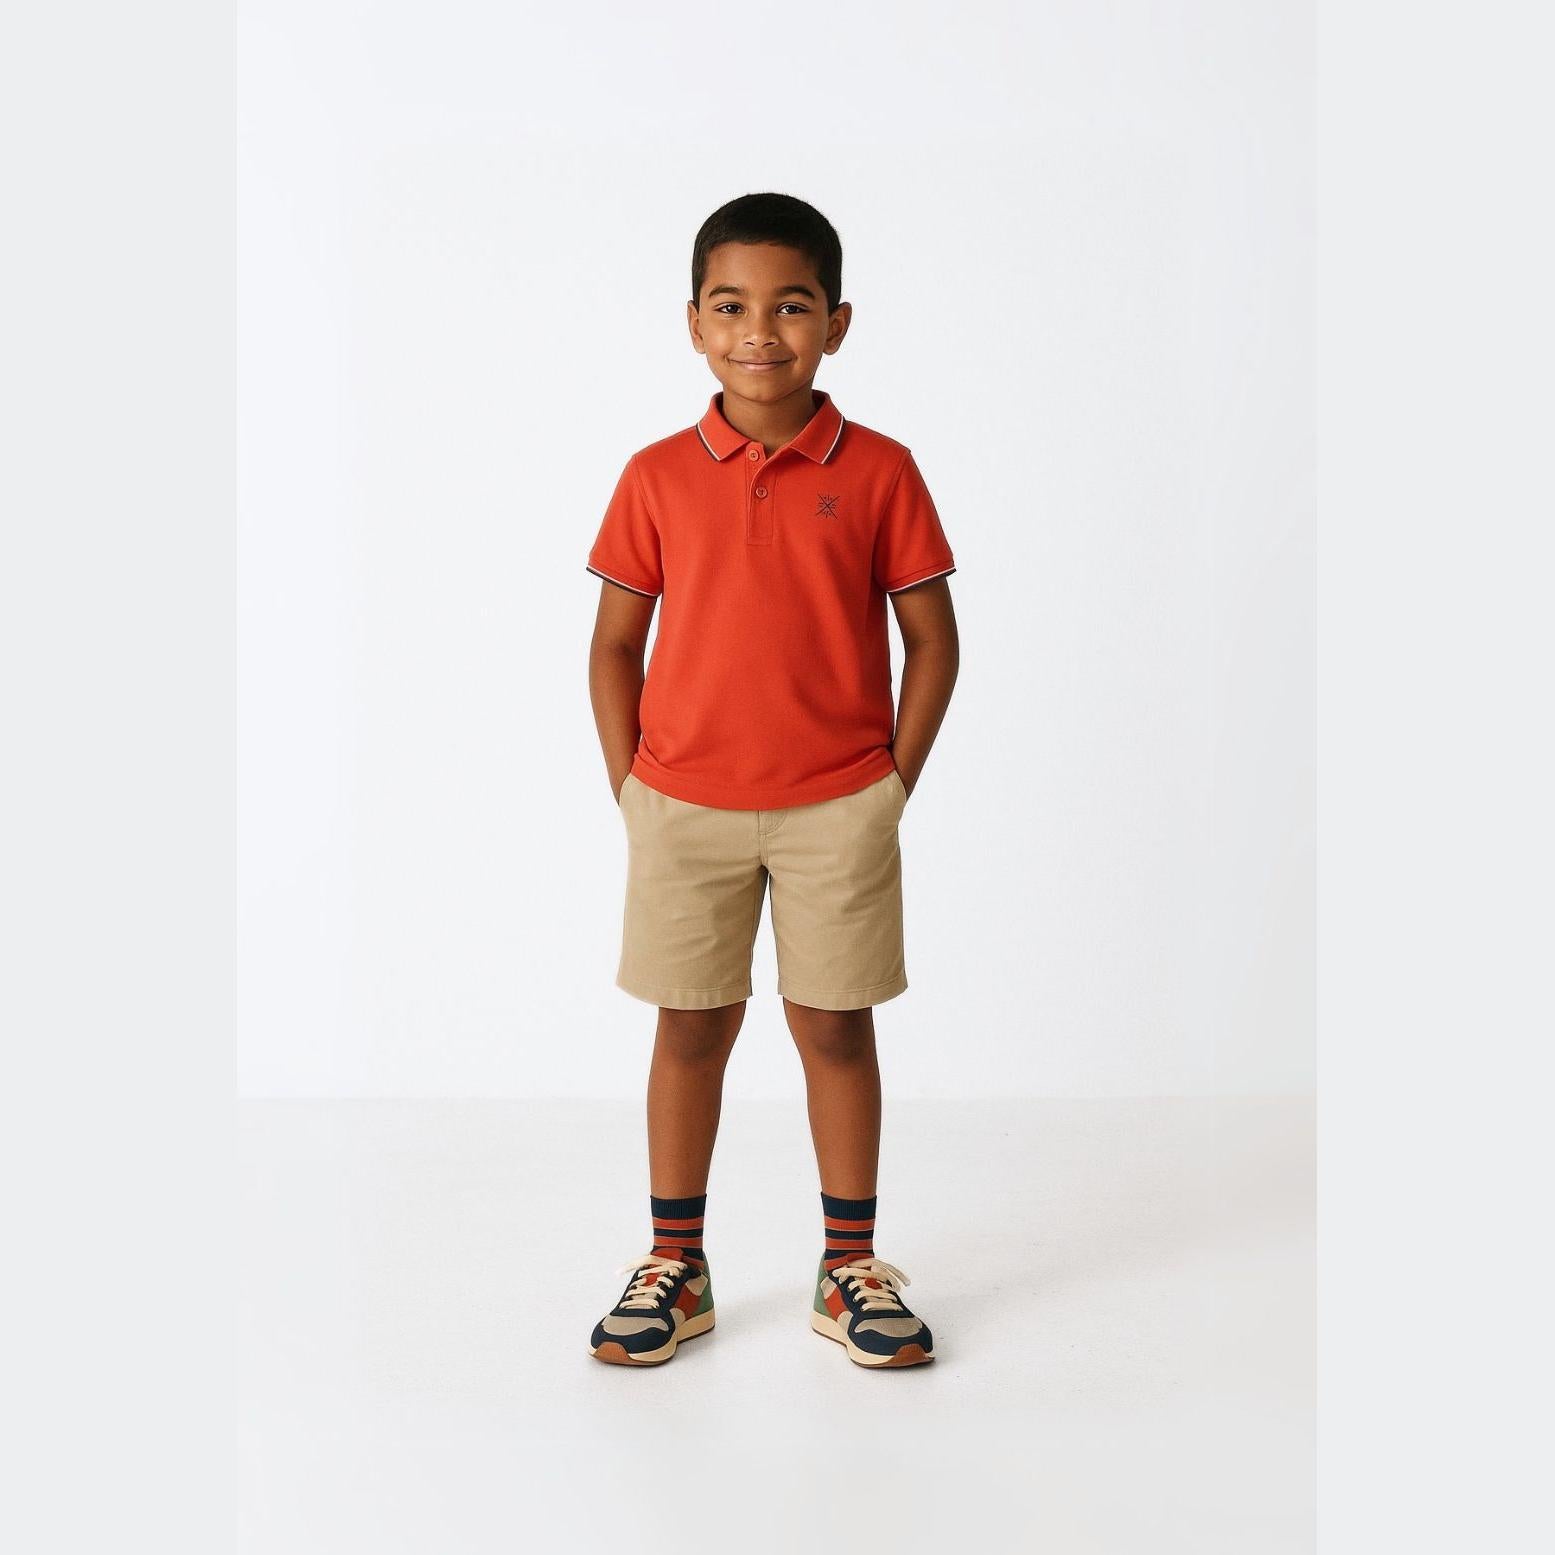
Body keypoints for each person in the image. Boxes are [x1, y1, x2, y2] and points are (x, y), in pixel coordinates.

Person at [583, 192, 959, 1368]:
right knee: (689, 1025)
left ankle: (849, 1265)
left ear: (835, 323)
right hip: (680, 804)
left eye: (792, 306)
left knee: (834, 1026)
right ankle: (674, 1263)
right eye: (731, 306)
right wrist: (632, 787)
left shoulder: (882, 470)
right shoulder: (654, 475)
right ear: (694, 322)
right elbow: (613, 645)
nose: (760, 330)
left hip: (837, 805)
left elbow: (932, 641)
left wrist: (887, 786)